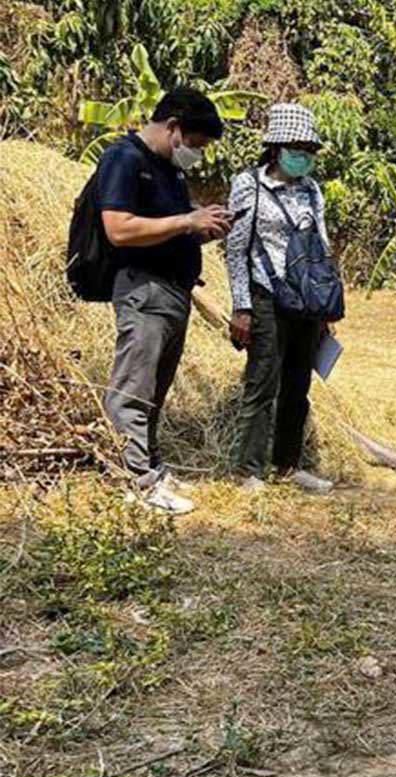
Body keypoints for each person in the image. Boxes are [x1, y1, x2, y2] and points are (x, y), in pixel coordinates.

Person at [99, 87, 230, 515]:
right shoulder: (125, 159)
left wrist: (200, 227)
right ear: (173, 128)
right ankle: (133, 481)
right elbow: (118, 228)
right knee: (132, 390)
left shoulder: (169, 170)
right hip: (144, 290)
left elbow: (168, 224)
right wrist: (186, 220)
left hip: (174, 292)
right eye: (196, 144)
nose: (197, 154)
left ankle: (150, 468)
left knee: (155, 389)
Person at [224, 103, 336, 495]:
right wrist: (241, 306)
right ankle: (248, 469)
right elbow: (236, 250)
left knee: (297, 384)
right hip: (266, 298)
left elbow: (321, 244)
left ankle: (288, 464)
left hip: (305, 301)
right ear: (275, 148)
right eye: (296, 146)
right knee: (262, 383)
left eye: (309, 148)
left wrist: (325, 304)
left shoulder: (311, 190)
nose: (303, 154)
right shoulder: (248, 186)